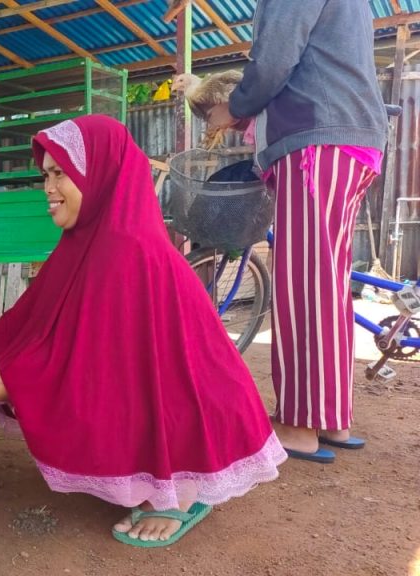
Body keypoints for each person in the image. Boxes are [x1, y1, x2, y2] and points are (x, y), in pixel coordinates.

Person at [0, 115, 286, 547]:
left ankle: (180, 490)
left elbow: (61, 364)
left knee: (86, 385)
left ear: (101, 175)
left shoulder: (127, 250)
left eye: (61, 173)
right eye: (45, 175)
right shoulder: (83, 243)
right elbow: (12, 334)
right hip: (159, 394)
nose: (48, 187)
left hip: (200, 412)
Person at [209, 0, 387, 463]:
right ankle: (330, 418)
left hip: (316, 142)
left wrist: (234, 107)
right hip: (347, 142)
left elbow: (274, 58)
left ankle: (298, 425)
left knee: (303, 286)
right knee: (327, 285)